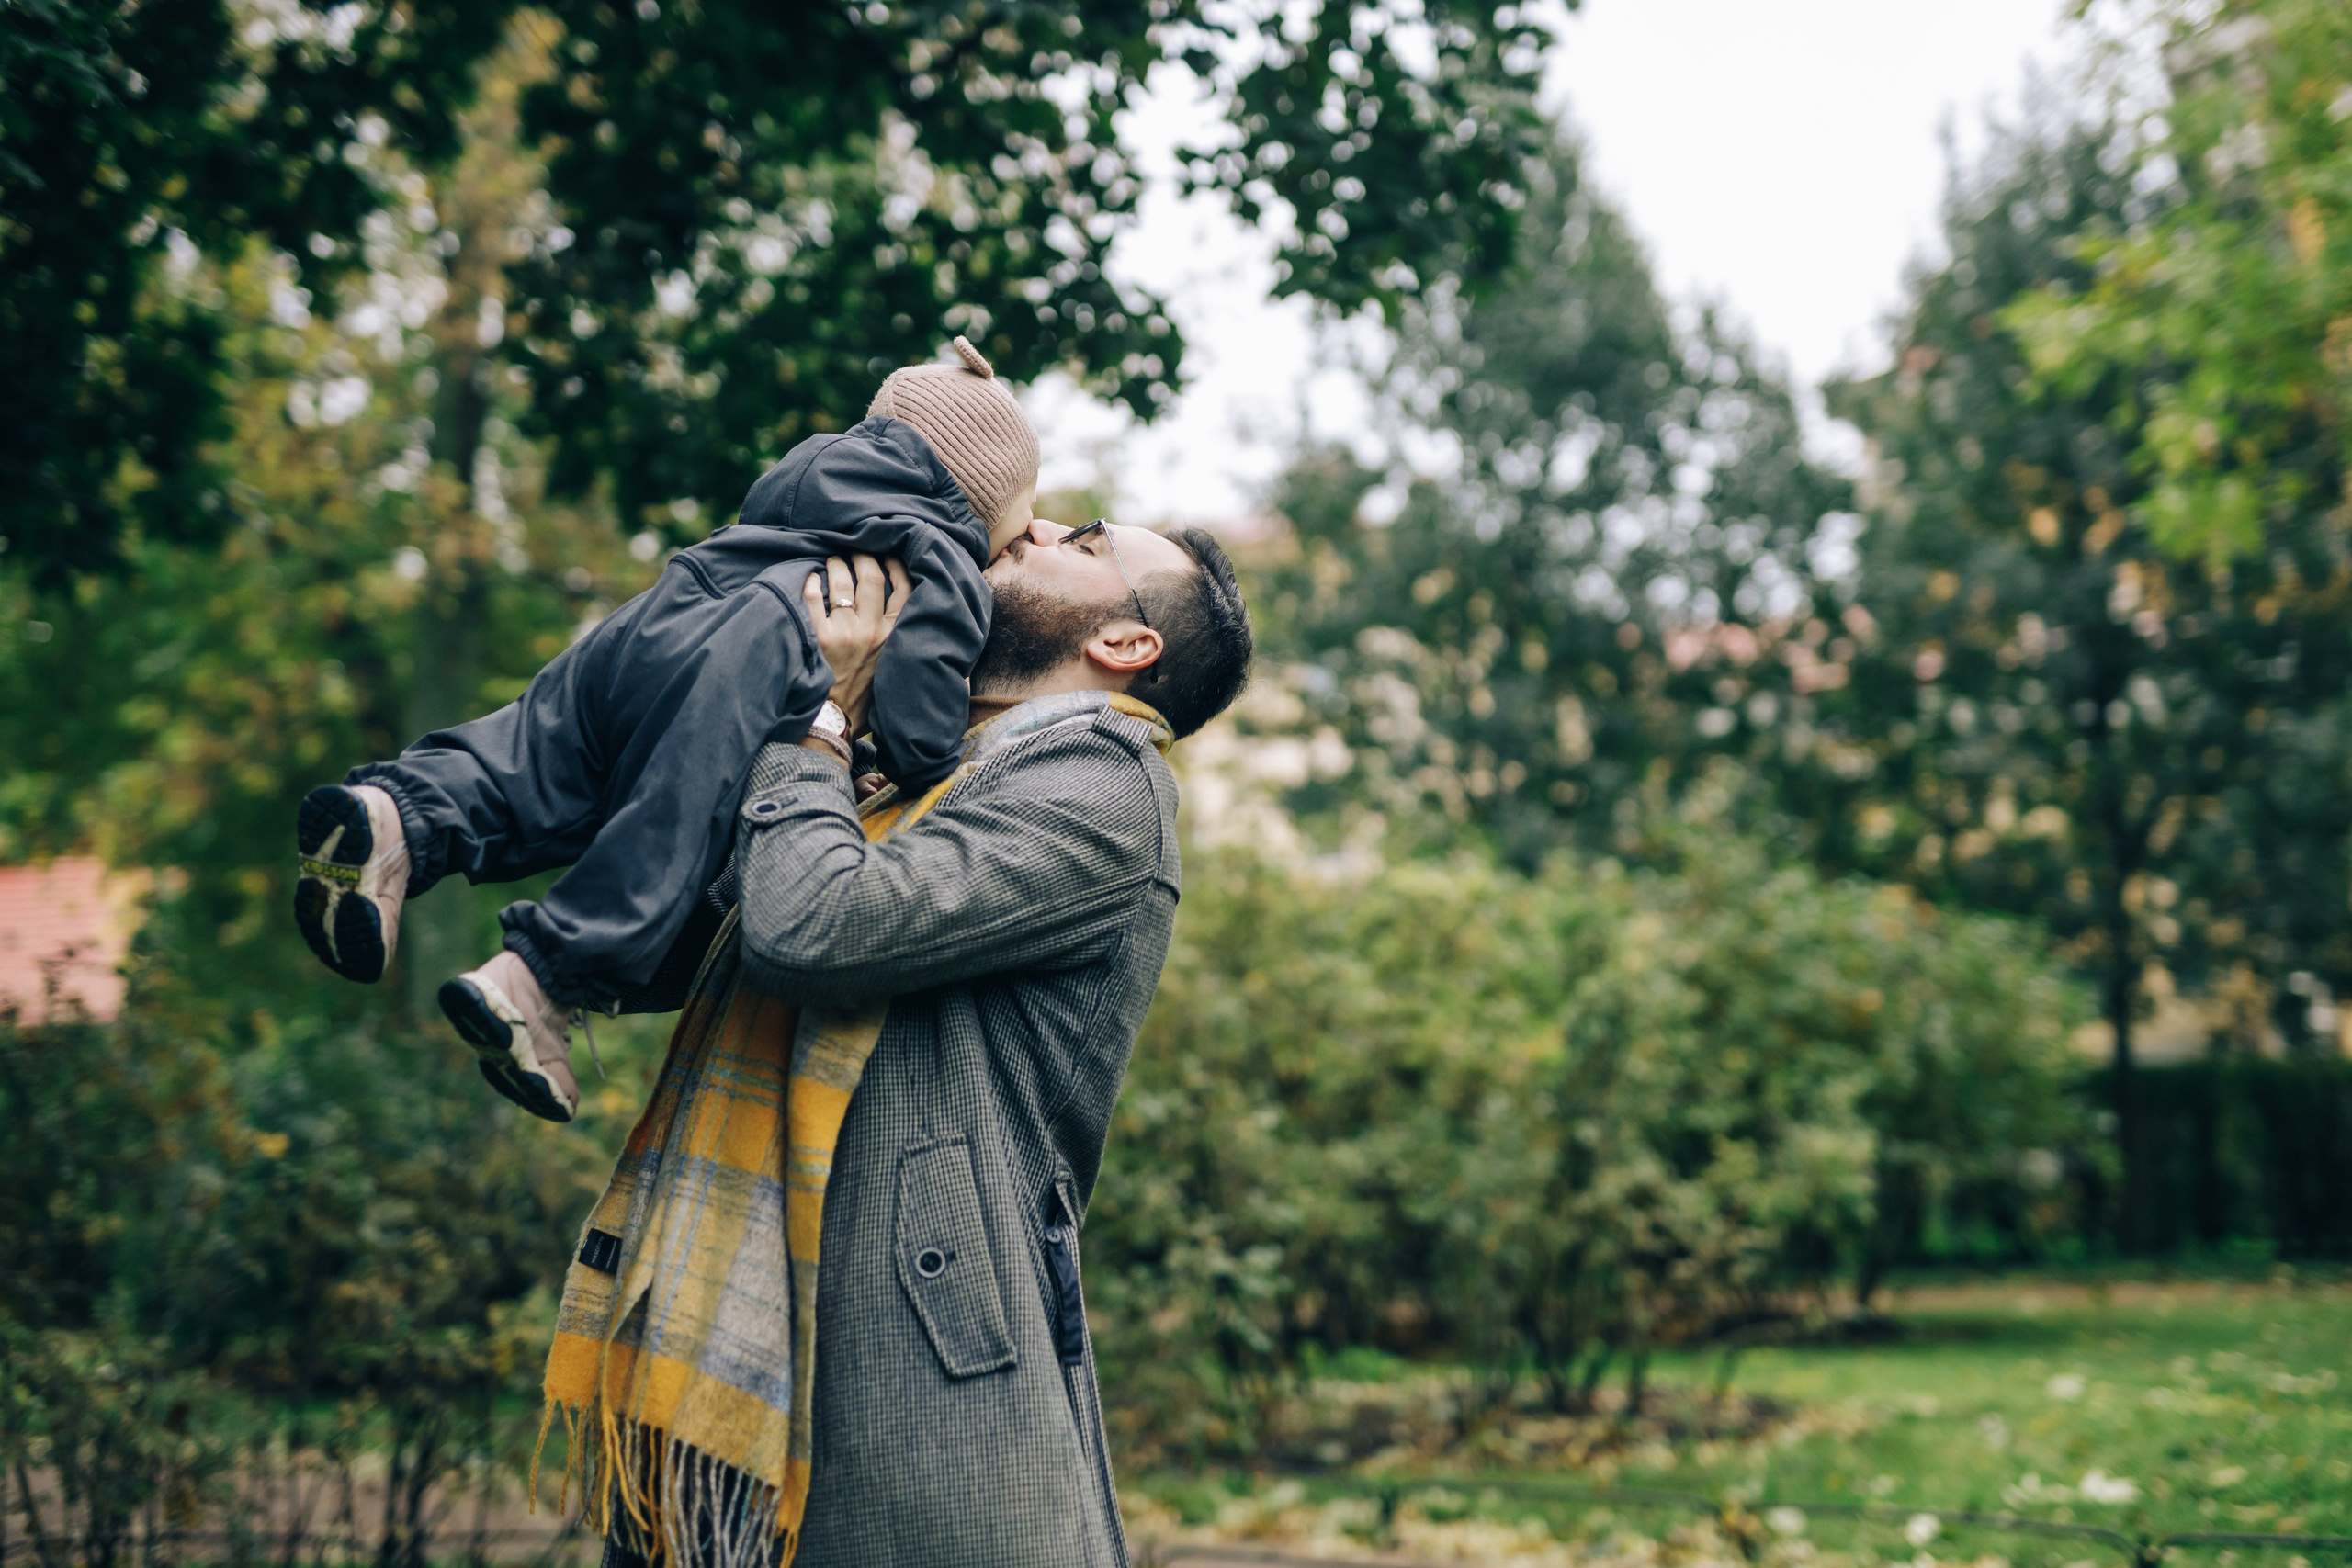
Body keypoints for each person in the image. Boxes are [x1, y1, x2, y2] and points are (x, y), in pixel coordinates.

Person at [548, 518, 1252, 1568]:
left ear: (1126, 643)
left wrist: (826, 722)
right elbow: (684, 942)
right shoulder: (914, 776)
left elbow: (810, 928)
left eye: (1088, 538)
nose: (1041, 523)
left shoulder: (1105, 790)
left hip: (913, 1359)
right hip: (756, 1332)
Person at [290, 338, 1038, 1122]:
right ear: (983, 505)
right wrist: (926, 761)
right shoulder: (948, 555)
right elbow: (923, 717)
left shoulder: (809, 473)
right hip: (749, 661)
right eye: (1017, 532)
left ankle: (393, 819)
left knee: (534, 752)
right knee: (665, 836)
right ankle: (540, 985)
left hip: (665, 611)